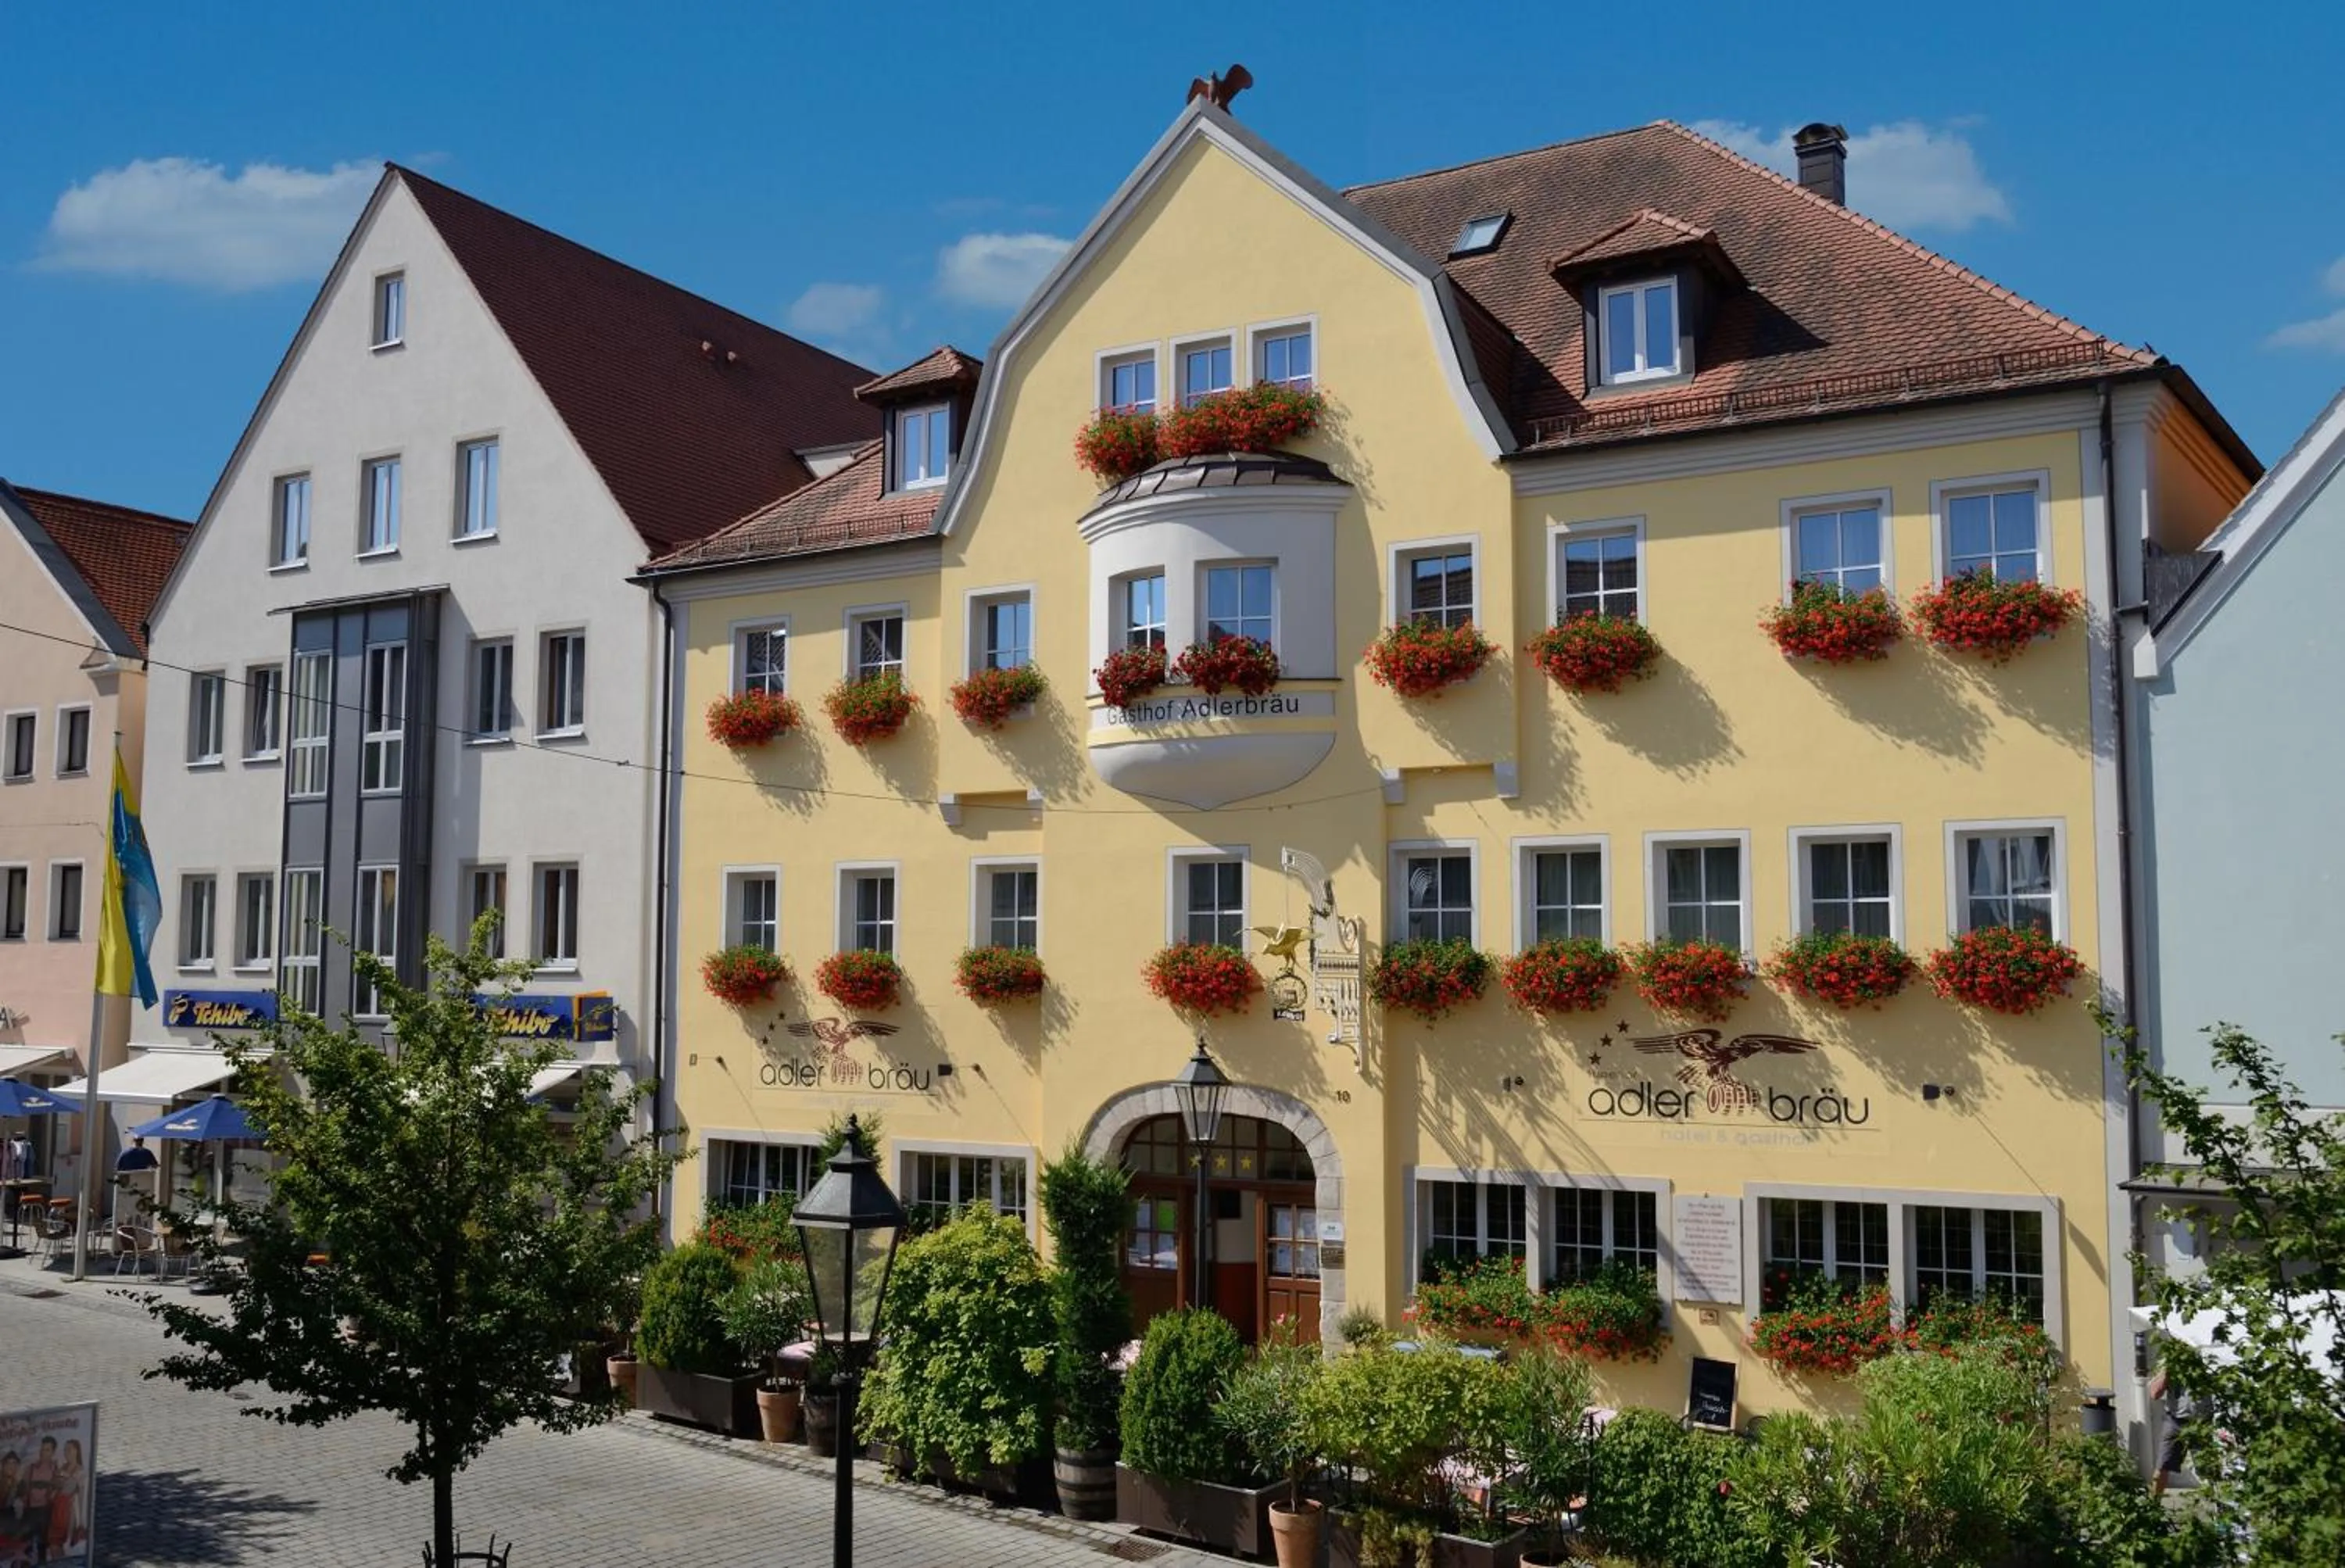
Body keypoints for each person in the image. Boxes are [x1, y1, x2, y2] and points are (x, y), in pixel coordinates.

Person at [2149, 1358, 2200, 1498]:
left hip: (2201, 1423)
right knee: (2162, 1465)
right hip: (2175, 1421)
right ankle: (2154, 1506)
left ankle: (2220, 1508)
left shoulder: (2206, 1360)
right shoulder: (2171, 1361)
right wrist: (2166, 1373)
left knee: (2207, 1466)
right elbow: (2154, 1394)